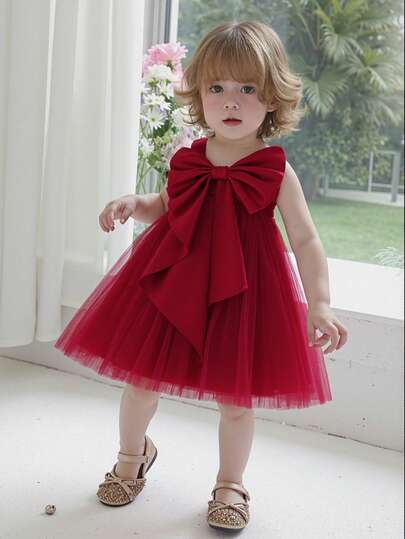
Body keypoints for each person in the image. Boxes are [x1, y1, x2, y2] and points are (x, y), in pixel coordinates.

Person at [54, 20, 348, 531]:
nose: (230, 101)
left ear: (272, 97)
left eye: (247, 89)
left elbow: (306, 239)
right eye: (217, 88)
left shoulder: (275, 169)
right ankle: (132, 456)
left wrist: (319, 303)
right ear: (199, 95)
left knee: (236, 400)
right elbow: (165, 206)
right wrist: (135, 203)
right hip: (176, 282)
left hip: (244, 293)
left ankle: (230, 482)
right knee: (141, 380)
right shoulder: (188, 159)